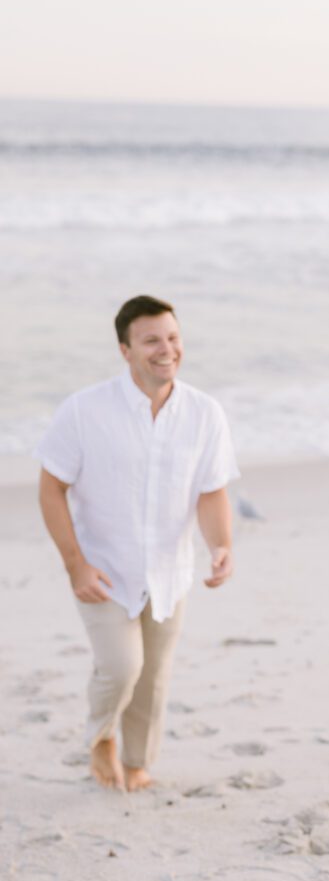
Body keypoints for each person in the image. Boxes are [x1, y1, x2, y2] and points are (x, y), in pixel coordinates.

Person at [37, 295, 239, 792]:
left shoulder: (203, 413)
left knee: (154, 677)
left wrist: (221, 545)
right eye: (151, 340)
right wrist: (75, 565)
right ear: (125, 349)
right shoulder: (85, 411)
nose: (165, 349)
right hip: (103, 569)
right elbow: (50, 487)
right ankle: (100, 735)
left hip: (170, 570)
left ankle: (136, 761)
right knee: (121, 667)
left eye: (172, 337)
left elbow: (211, 491)